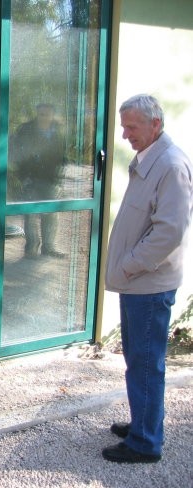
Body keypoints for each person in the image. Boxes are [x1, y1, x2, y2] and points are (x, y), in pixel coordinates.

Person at [103, 94, 192, 463]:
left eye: (131, 126)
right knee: (139, 360)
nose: (124, 134)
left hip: (148, 285)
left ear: (155, 124)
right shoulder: (148, 159)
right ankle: (143, 423)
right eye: (123, 126)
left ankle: (145, 443)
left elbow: (168, 233)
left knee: (144, 363)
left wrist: (127, 266)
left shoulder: (170, 165)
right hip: (138, 282)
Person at [9, 103, 66, 258]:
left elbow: (61, 155)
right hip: (30, 178)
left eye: (48, 114)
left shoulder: (57, 131)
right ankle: (31, 247)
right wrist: (23, 176)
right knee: (30, 214)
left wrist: (59, 176)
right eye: (42, 114)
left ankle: (49, 247)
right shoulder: (26, 130)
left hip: (50, 179)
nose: (45, 117)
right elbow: (17, 153)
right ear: (37, 114)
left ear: (52, 115)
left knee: (51, 214)